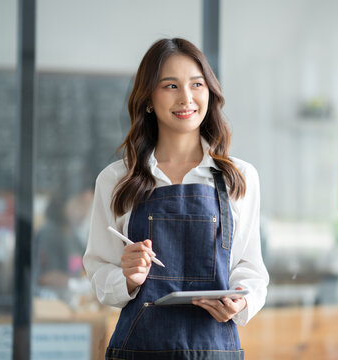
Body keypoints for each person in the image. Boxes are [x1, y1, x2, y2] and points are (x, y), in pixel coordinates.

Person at [83, 38, 269, 360]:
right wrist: (127, 278)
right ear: (148, 100)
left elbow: (250, 268)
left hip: (215, 350)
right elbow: (98, 266)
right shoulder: (116, 180)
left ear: (209, 92)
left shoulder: (240, 178)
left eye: (197, 84)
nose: (186, 98)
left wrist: (240, 300)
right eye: (170, 85)